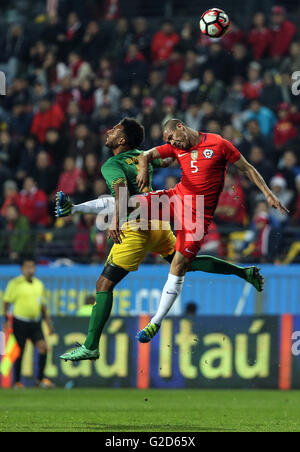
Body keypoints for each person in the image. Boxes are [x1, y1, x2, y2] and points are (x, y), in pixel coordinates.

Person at [57, 118, 264, 362]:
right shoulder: (140, 156)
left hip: (135, 227)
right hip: (158, 222)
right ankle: (243, 273)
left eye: (115, 130)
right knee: (185, 262)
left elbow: (121, 195)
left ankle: (91, 346)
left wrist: (111, 221)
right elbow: (166, 160)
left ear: (121, 140)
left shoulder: (111, 164)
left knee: (103, 285)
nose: (109, 131)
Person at [135, 118, 288, 343]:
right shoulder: (177, 147)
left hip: (197, 216)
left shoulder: (218, 144)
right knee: (132, 204)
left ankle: (155, 322)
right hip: (177, 198)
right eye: (168, 142)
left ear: (181, 127)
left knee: (180, 265)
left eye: (172, 139)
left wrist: (267, 193)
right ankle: (73, 208)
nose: (172, 145)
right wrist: (144, 171)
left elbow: (247, 168)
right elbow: (144, 154)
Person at [3, 258, 55, 388]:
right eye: (27, 267)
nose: (30, 270)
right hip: (19, 321)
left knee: (43, 347)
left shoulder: (39, 284)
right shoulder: (14, 284)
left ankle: (40, 380)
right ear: (22, 269)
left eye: (32, 267)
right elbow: (6, 302)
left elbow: (43, 306)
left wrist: (48, 323)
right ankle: (17, 382)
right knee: (20, 351)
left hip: (35, 323)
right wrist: (6, 320)